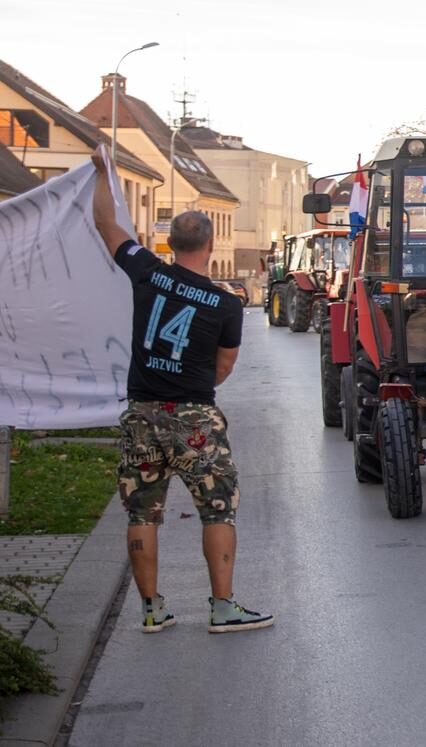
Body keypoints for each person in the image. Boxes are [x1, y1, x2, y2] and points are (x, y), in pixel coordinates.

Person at [89, 149, 271, 634]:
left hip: (141, 412)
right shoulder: (225, 304)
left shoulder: (147, 271)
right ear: (210, 244)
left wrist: (103, 173)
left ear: (169, 244)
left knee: (142, 510)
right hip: (194, 417)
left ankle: (152, 610)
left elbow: (106, 223)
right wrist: (191, 386)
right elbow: (224, 365)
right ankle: (223, 608)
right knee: (217, 508)